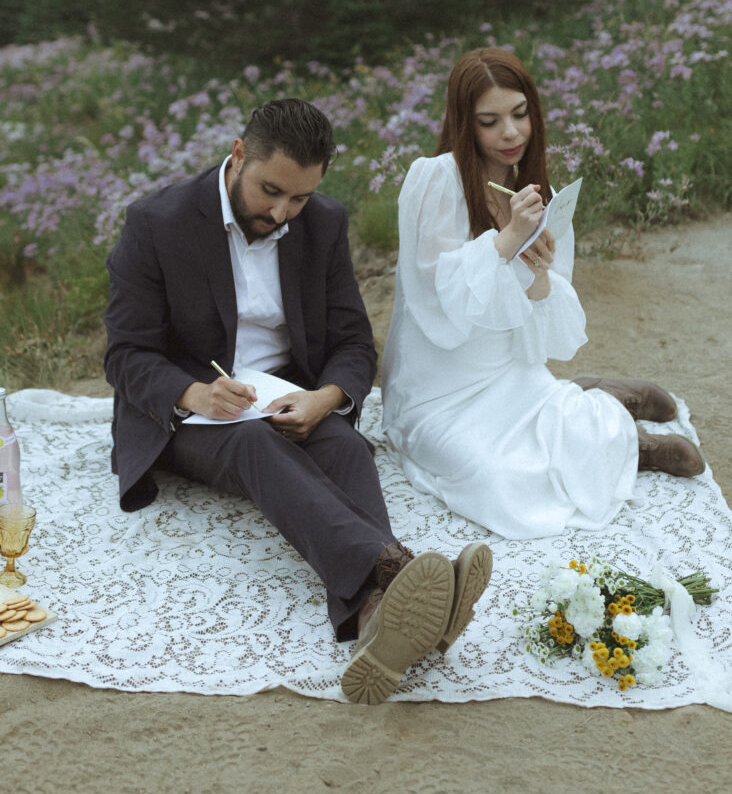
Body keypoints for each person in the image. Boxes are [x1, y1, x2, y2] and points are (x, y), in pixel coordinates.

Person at [104, 97, 492, 705]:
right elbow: (125, 354)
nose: (282, 212)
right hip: (189, 409)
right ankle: (397, 569)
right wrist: (194, 391)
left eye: (300, 198)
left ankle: (372, 617)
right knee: (252, 442)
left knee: (345, 446)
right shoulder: (157, 223)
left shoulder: (325, 224)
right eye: (270, 191)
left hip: (287, 393)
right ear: (238, 155)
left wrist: (325, 398)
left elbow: (353, 342)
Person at [381, 48, 704, 540]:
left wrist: (539, 273)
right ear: (466, 124)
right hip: (438, 390)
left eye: (520, 114)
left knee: (566, 428)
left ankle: (624, 429)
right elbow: (434, 304)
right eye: (490, 121)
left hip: (510, 375)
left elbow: (544, 329)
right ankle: (606, 406)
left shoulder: (539, 195)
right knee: (497, 482)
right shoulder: (435, 179)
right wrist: (507, 240)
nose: (510, 133)